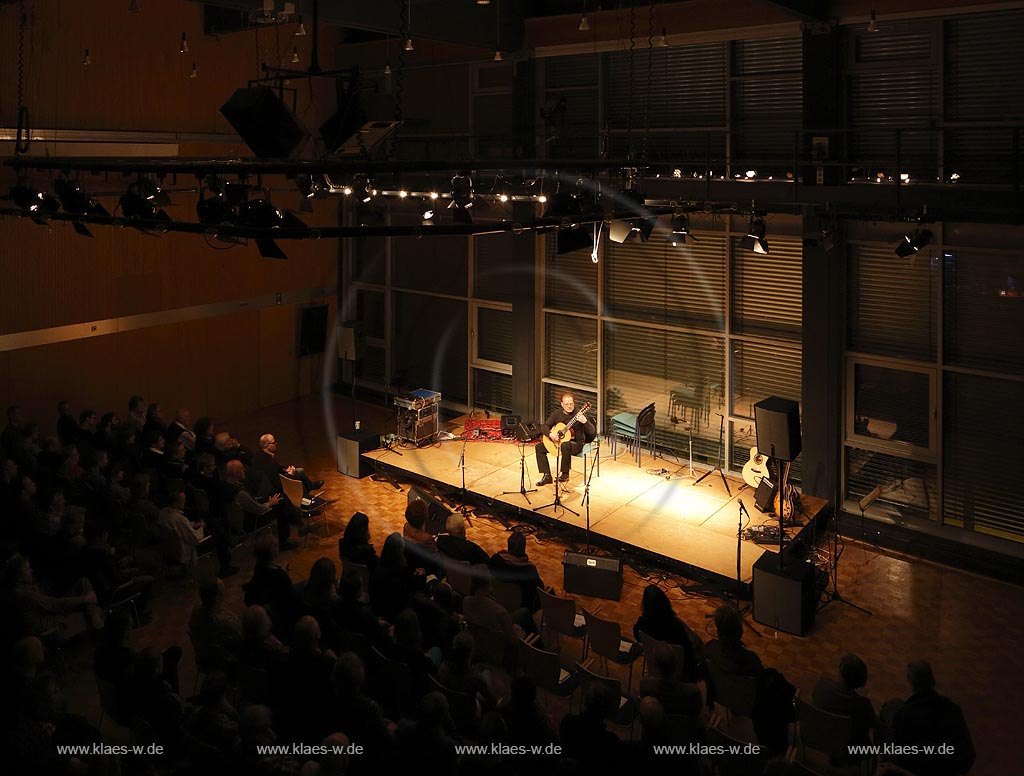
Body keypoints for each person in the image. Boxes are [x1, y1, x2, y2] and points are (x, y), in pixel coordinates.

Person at [884, 660, 975, 776]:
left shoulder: (903, 714)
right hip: (946, 766)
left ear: (910, 680)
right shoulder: (952, 708)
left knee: (892, 706)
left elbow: (899, 751)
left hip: (915, 767)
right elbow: (967, 753)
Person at [812, 653, 877, 752]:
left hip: (818, 737)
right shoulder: (863, 705)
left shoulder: (822, 686)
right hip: (847, 750)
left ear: (841, 674)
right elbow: (871, 724)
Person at [534, 392, 594, 485]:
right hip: (559, 442)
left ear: (574, 403)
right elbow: (545, 426)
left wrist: (585, 421)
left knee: (565, 445)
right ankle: (547, 476)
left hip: (576, 444)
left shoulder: (579, 414)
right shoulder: (557, 413)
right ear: (562, 404)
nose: (569, 406)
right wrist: (550, 435)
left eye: (571, 404)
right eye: (567, 404)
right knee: (539, 447)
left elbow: (592, 431)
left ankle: (565, 474)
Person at [489, 531, 547, 612]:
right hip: (522, 608)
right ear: (524, 547)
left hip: (498, 600)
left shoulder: (495, 559)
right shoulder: (529, 569)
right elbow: (539, 588)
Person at [253, 433, 324, 496]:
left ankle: (309, 487)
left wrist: (285, 469)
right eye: (274, 442)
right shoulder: (266, 461)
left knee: (300, 471)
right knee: (298, 479)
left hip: (276, 481)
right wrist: (290, 475)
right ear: (268, 445)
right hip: (275, 488)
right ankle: (305, 498)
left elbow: (277, 467)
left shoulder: (262, 454)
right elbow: (276, 482)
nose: (276, 444)